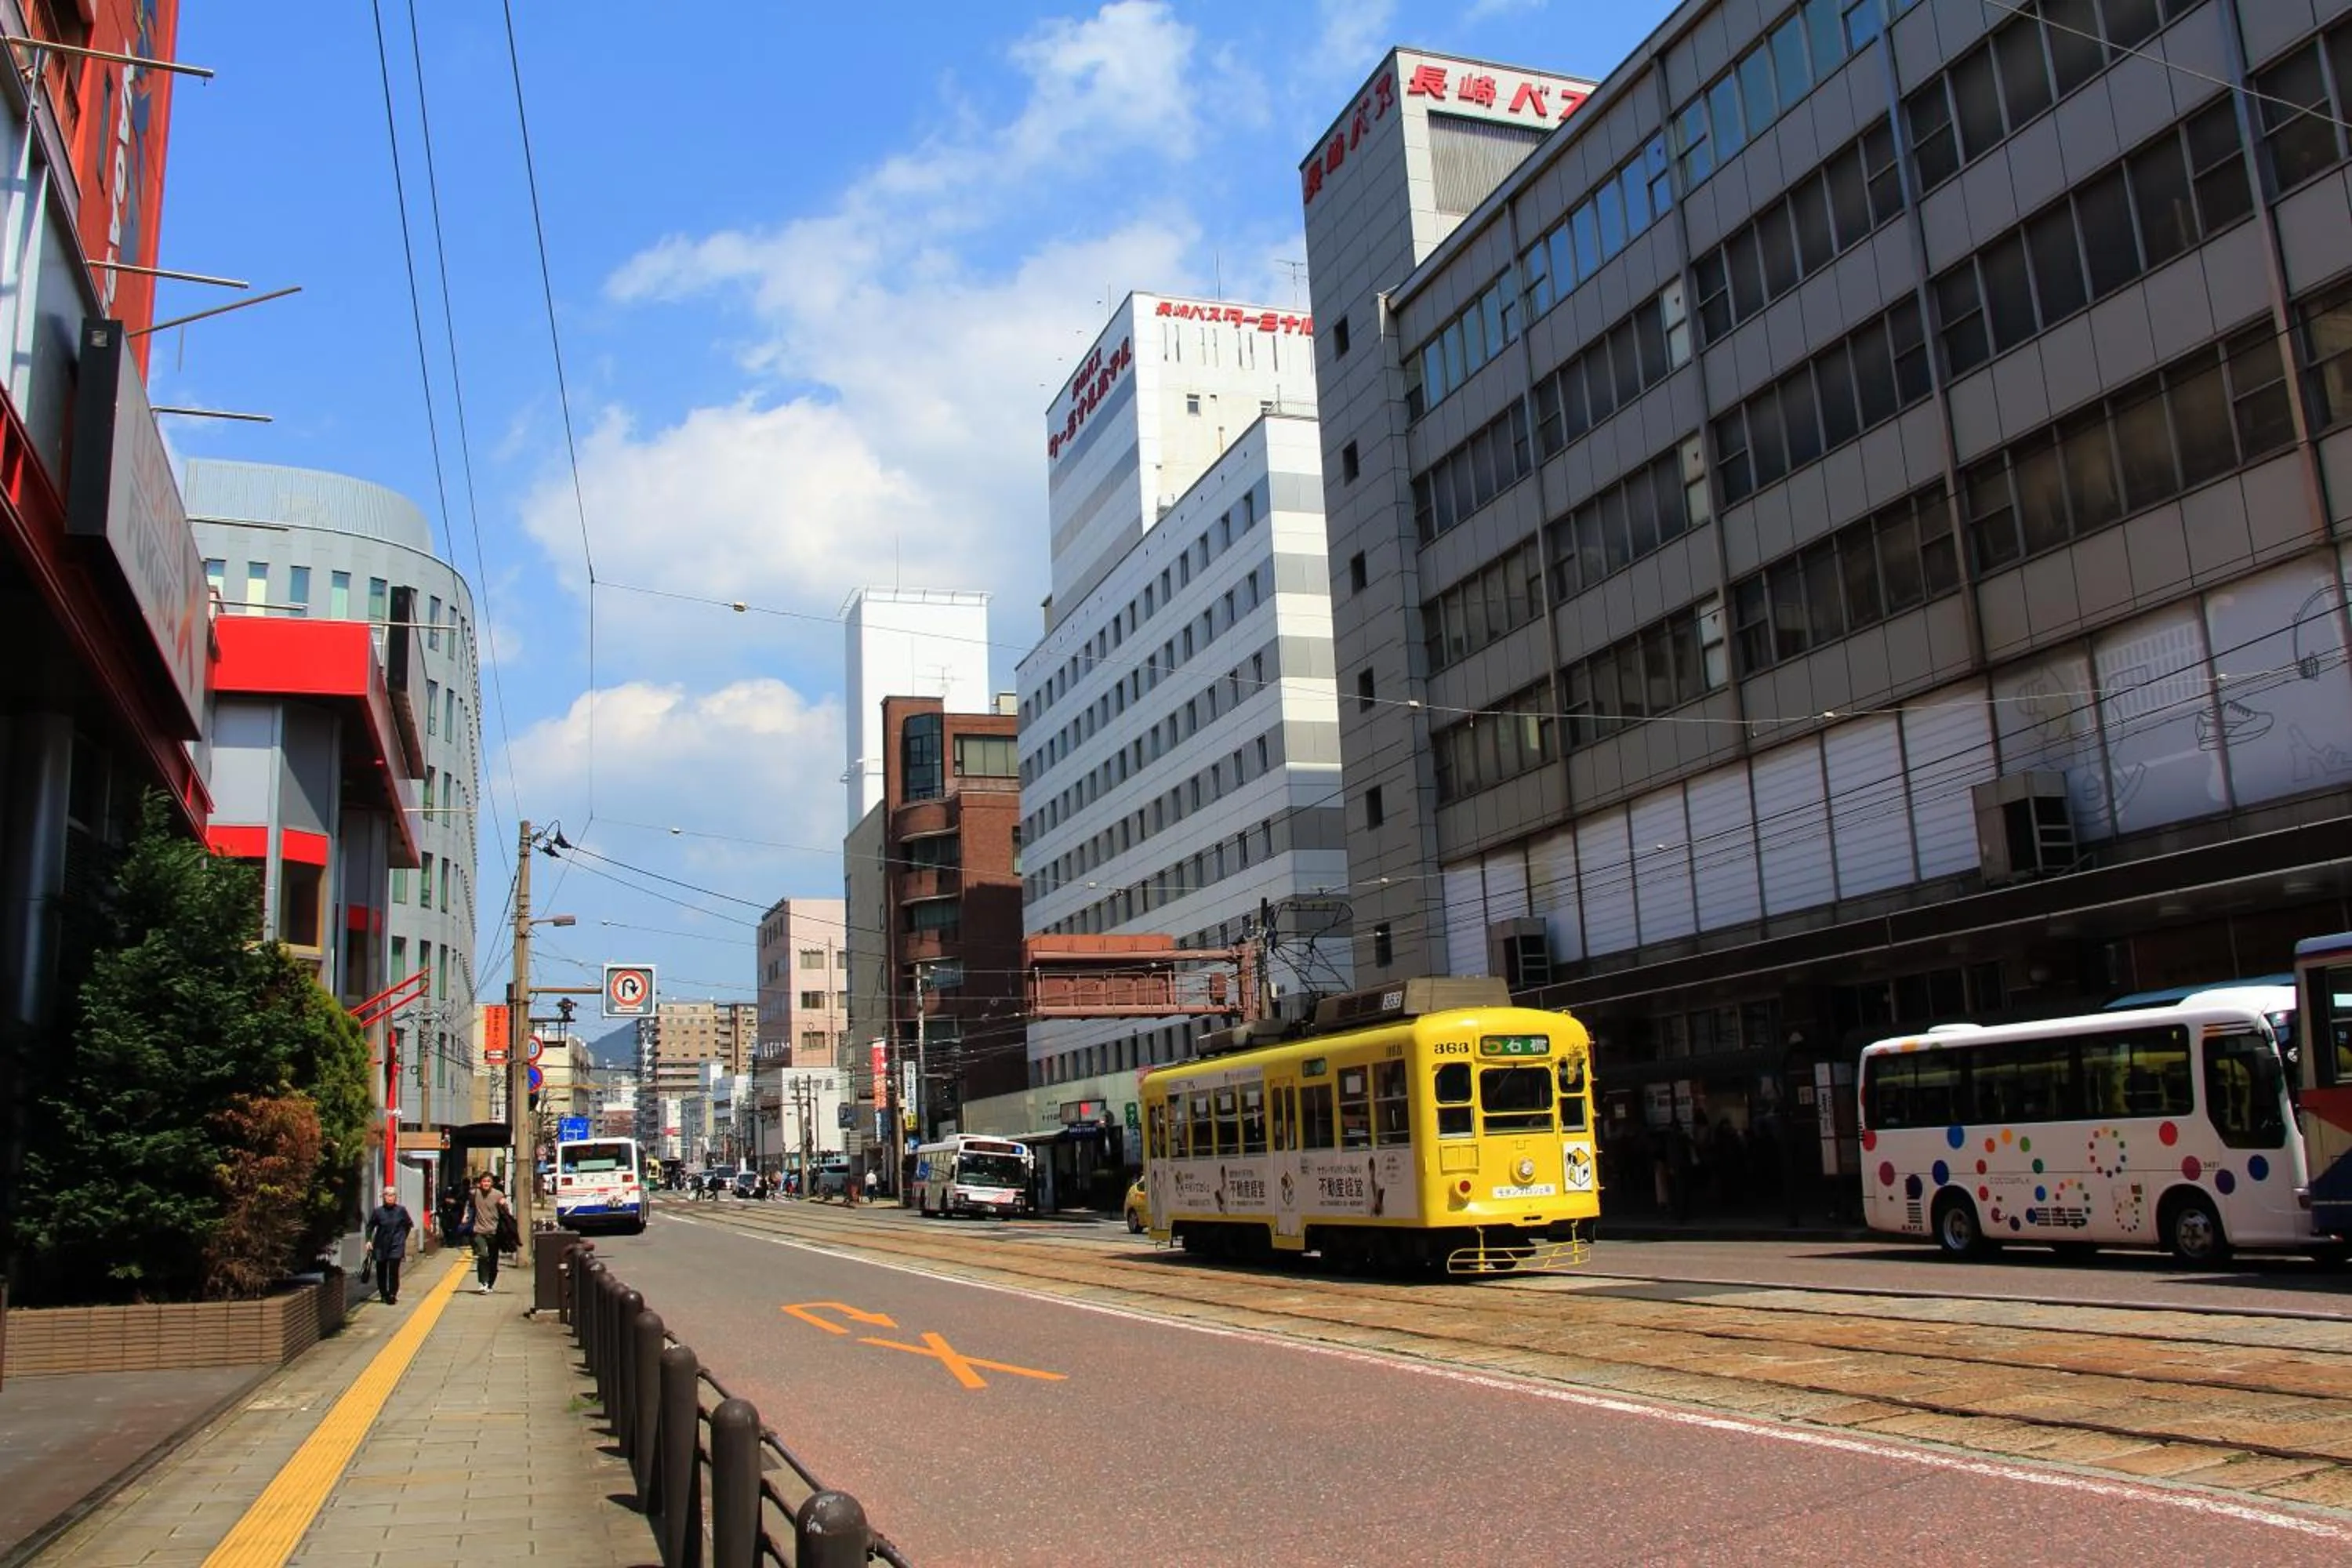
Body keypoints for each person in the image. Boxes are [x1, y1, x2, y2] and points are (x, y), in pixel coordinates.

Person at [363, 1187, 416, 1305]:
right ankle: (383, 1294)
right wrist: (368, 1241)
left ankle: (392, 1294)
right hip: (381, 1245)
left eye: (392, 1195)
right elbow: (370, 1227)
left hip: (396, 1244)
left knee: (393, 1269)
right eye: (387, 1195)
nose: (390, 1197)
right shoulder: (378, 1211)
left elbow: (408, 1225)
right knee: (381, 1270)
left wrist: (402, 1238)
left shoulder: (401, 1210)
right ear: (383, 1197)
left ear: (396, 1197)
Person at [466, 1172, 510, 1294]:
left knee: (493, 1259)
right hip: (479, 1230)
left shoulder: (498, 1194)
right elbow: (469, 1204)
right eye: (484, 1181)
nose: (486, 1184)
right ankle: (483, 1282)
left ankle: (490, 1284)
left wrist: (504, 1204)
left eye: (488, 1181)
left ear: (492, 1183)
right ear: (480, 1183)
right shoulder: (475, 1193)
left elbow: (506, 1212)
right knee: (483, 1255)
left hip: (494, 1232)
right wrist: (466, 1215)